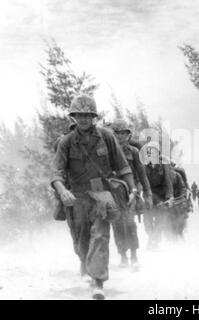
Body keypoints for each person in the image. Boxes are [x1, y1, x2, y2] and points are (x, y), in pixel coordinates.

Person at [51, 94, 137, 300]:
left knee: (100, 236)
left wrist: (133, 189)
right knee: (80, 238)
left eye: (87, 115)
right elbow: (56, 172)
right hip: (76, 196)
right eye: (79, 115)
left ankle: (98, 282)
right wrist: (63, 191)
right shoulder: (66, 142)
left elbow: (123, 166)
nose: (83, 119)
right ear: (73, 117)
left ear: (93, 116)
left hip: (101, 194)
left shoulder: (107, 137)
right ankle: (84, 261)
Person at [110, 119, 153, 269]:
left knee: (129, 224)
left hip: (131, 192)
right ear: (113, 135)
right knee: (117, 225)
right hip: (113, 192)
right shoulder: (107, 152)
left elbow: (142, 175)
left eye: (124, 133)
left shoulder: (133, 152)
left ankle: (134, 256)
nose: (121, 136)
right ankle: (123, 256)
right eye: (117, 133)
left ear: (128, 135)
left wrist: (147, 194)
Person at [142, 141, 174, 249]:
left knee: (160, 221)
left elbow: (168, 182)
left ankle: (154, 243)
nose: (151, 154)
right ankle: (152, 239)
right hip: (148, 196)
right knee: (147, 222)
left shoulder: (163, 166)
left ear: (158, 153)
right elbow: (140, 181)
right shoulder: (143, 166)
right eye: (149, 152)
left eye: (154, 151)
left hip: (161, 196)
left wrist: (170, 197)